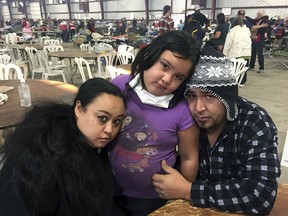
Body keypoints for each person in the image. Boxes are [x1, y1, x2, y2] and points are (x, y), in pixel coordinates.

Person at [152, 56, 281, 215]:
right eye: (191, 95)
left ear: (227, 98)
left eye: (209, 96)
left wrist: (188, 190)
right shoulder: (187, 119)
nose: (198, 108)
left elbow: (260, 196)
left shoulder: (254, 122)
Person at [0, 78, 126, 216]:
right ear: (79, 109)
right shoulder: (43, 156)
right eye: (102, 118)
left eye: (117, 121)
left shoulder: (91, 144)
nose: (110, 130)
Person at [108, 30, 201, 216]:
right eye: (165, 66)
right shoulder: (119, 87)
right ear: (150, 54)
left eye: (178, 77)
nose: (167, 79)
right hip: (109, 187)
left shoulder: (182, 111)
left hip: (153, 198)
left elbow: (189, 157)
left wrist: (181, 194)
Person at [223, 16, 251, 87]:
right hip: (246, 53)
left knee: (234, 70)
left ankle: (233, 82)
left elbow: (227, 45)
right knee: (243, 69)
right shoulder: (247, 30)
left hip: (236, 54)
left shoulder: (232, 31)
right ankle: (242, 82)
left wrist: (224, 55)